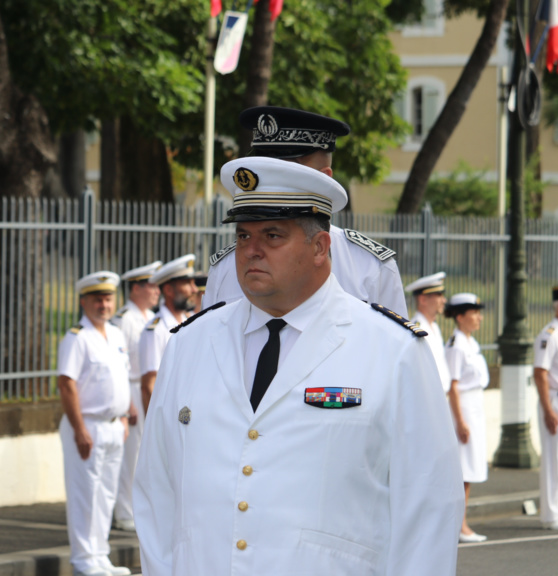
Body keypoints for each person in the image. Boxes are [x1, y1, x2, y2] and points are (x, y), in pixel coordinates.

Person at [134, 156, 463, 576]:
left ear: (320, 247)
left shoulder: (391, 349)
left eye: (273, 235)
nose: (251, 250)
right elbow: (156, 494)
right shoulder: (189, 344)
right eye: (243, 235)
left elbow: (429, 505)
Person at [204, 106, 407, 315]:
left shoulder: (370, 268)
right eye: (262, 166)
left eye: (290, 171)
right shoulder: (225, 268)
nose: (268, 179)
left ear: (325, 178)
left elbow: (393, 343)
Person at [57, 271, 132, 576]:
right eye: (97, 299)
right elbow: (66, 384)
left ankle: (100, 555)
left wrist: (125, 416)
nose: (104, 304)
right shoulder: (77, 337)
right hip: (87, 425)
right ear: (83, 302)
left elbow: (121, 378)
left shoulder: (115, 334)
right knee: (85, 494)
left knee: (106, 494)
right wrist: (79, 429)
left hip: (114, 425)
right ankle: (84, 560)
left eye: (108, 297)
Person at [110, 261, 161, 532]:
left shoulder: (146, 317)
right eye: (151, 286)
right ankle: (124, 511)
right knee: (132, 455)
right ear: (137, 288)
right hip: (131, 386)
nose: (156, 292)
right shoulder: (125, 318)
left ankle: (134, 507)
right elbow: (120, 362)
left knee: (143, 453)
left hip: (145, 384)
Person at [444, 292, 489, 543]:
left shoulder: (470, 342)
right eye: (474, 313)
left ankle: (462, 523)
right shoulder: (456, 345)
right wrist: (460, 421)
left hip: (475, 407)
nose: (479, 318)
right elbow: (453, 386)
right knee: (462, 471)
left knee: (469, 471)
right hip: (463, 411)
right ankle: (459, 525)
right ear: (460, 317)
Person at [138, 255, 198, 413]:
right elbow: (149, 386)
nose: (195, 289)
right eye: (187, 283)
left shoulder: (193, 321)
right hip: (169, 415)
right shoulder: (155, 331)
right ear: (169, 290)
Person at [533, 285, 558, 530]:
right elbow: (540, 373)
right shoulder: (549, 334)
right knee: (553, 458)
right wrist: (548, 410)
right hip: (553, 400)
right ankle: (551, 515)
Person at [405, 272, 451, 392]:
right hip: (428, 395)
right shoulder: (416, 329)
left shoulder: (434, 327)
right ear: (423, 299)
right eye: (439, 295)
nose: (444, 300)